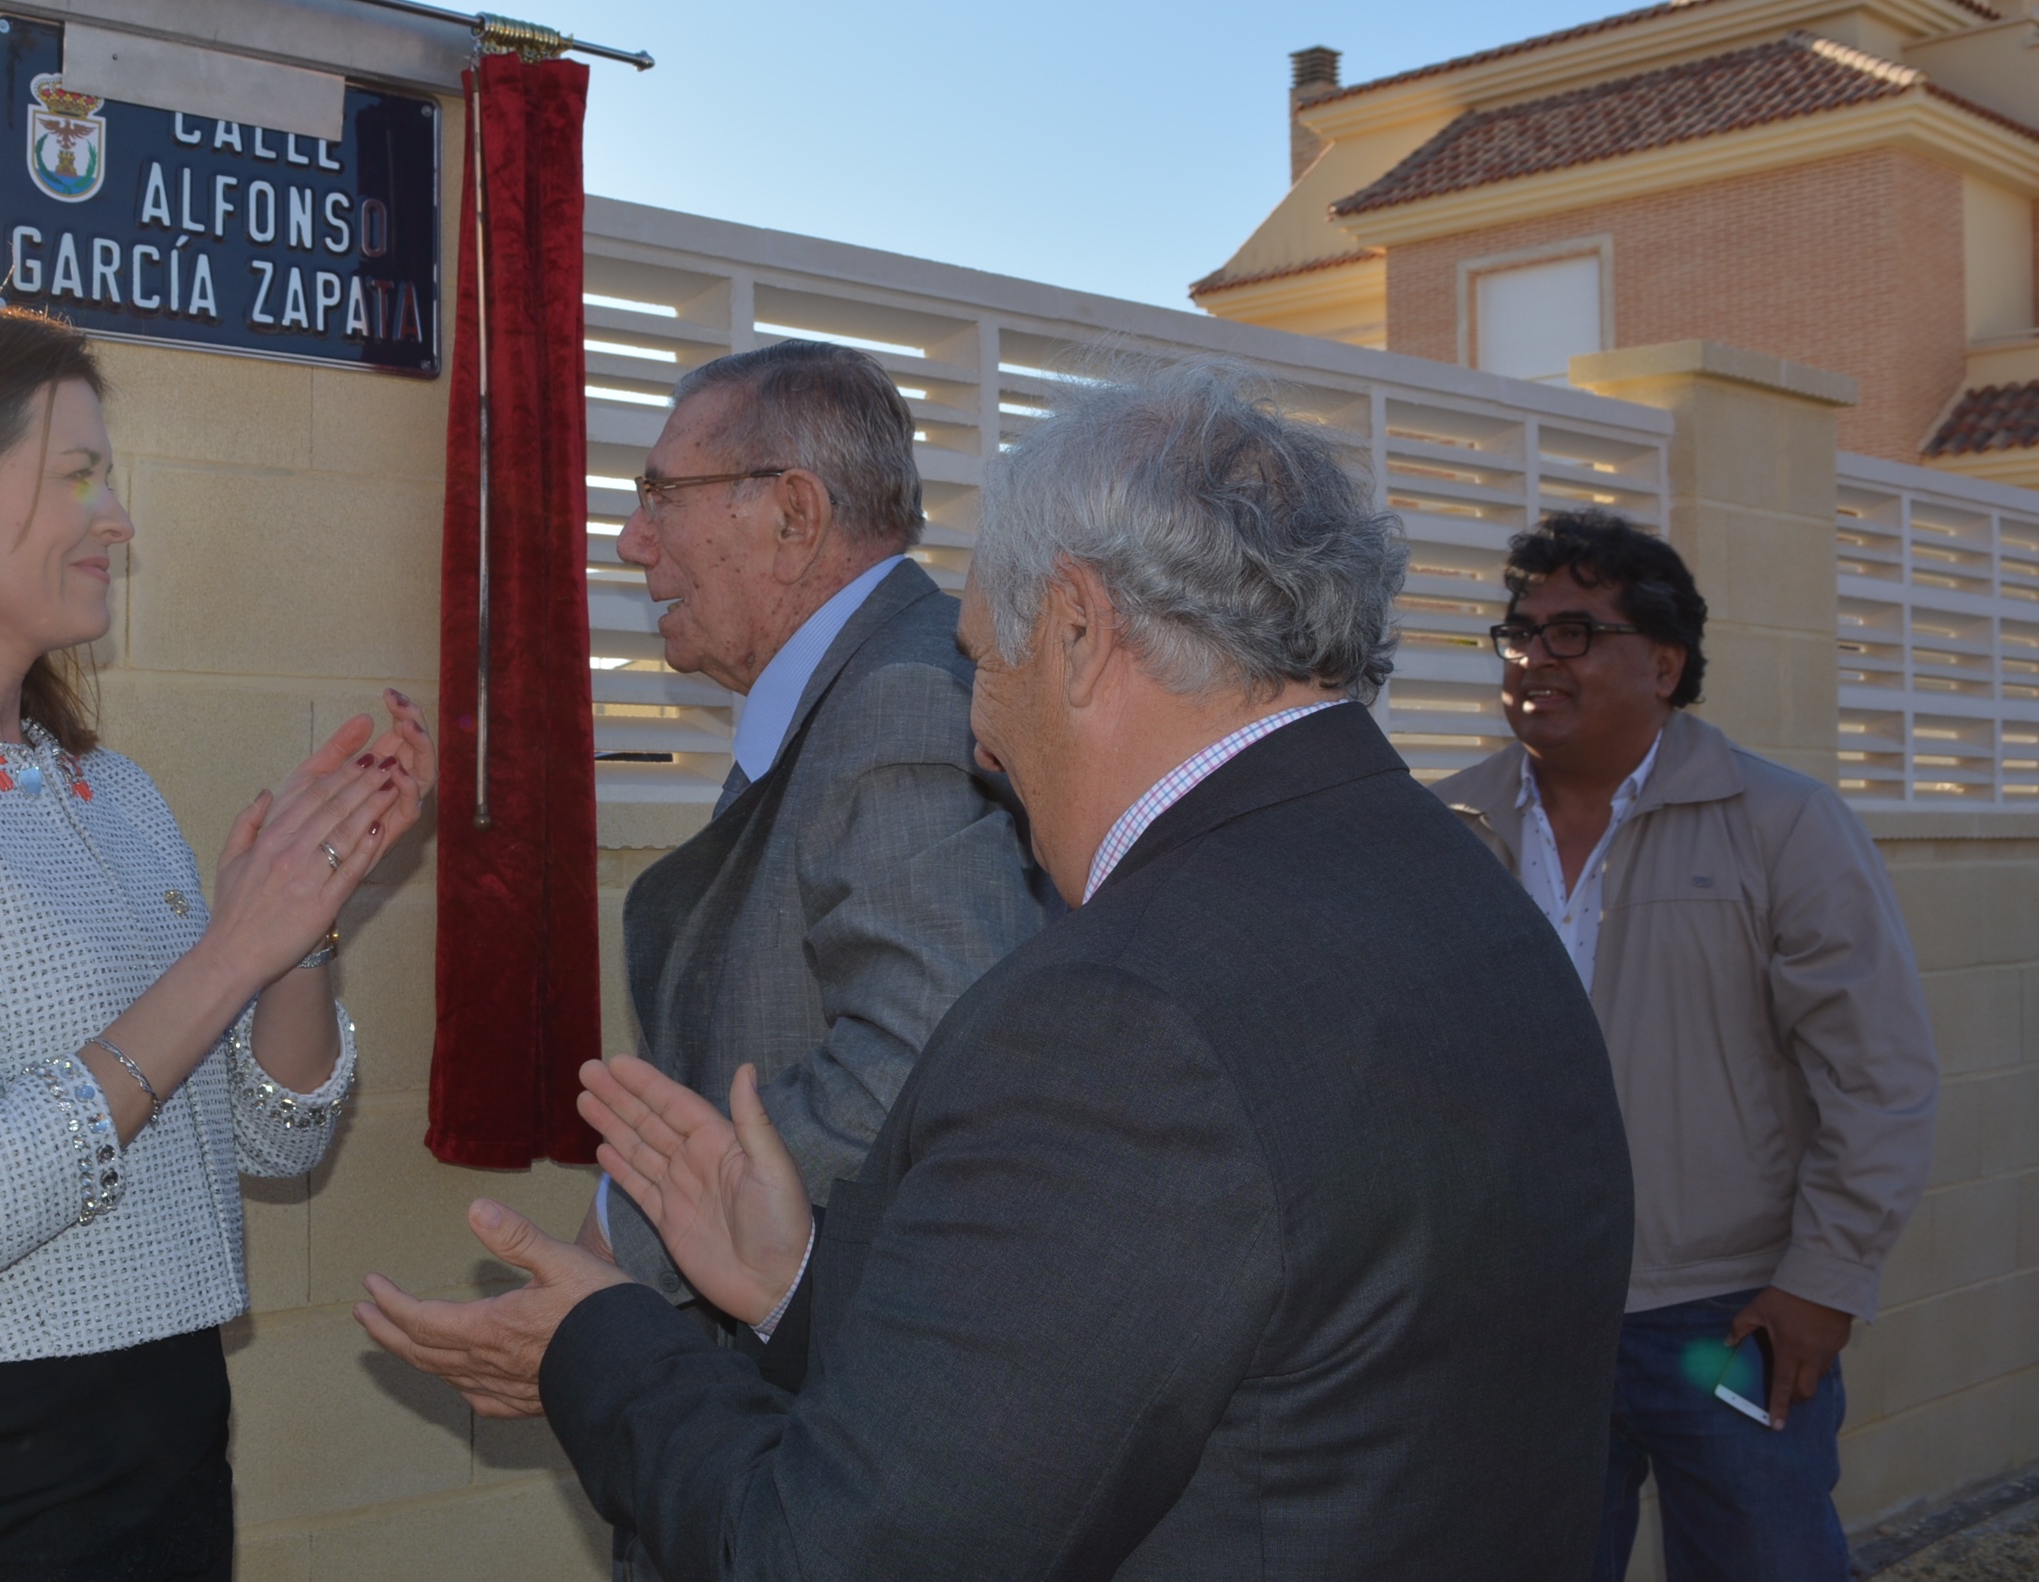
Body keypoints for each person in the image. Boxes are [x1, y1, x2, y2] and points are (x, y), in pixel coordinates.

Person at [357, 360, 1637, 1581]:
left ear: (1078, 628)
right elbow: (1135, 1351)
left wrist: (598, 1342)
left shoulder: (1119, 1019)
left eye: (987, 658)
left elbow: (825, 1555)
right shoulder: (1475, 897)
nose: (976, 733)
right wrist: (795, 1284)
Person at [0, 308, 436, 1580]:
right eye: (77, 474)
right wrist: (226, 953)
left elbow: (270, 1140)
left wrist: (301, 924)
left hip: (167, 1454)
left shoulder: (105, 791)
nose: (117, 520)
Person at [1434, 511, 1939, 1582]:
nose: (1534, 658)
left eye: (1574, 632)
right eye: (1519, 632)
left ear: (1663, 665)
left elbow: (1877, 1077)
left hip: (1728, 1317)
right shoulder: (1447, 834)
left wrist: (1824, 1281)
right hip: (1525, 1317)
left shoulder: (1781, 824)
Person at [576, 338, 1049, 1316]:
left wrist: (637, 1229)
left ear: (794, 515)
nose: (631, 540)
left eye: (661, 495)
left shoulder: (901, 702)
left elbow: (919, 1059)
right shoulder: (857, 689)